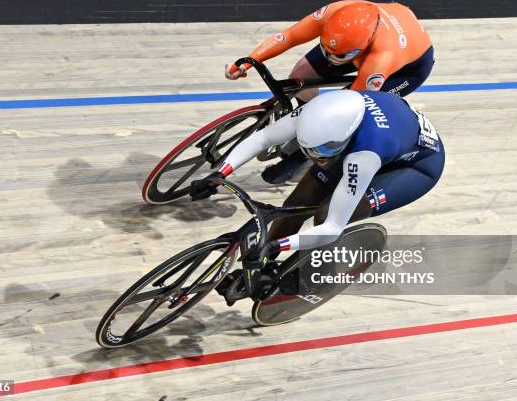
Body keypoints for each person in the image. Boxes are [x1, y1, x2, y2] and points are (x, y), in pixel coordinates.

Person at [189, 89, 444, 303]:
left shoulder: (364, 155)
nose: (316, 158)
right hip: (371, 139)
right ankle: (264, 265)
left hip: (415, 166)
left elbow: (333, 227)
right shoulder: (317, 112)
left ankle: (319, 275)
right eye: (309, 150)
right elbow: (265, 137)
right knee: (295, 204)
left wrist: (278, 244)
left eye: (323, 150)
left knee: (324, 214)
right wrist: (220, 173)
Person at [225, 0, 435, 183]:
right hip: (352, 44)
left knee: (348, 113)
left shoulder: (382, 59)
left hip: (407, 69)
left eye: (339, 57)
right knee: (301, 72)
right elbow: (288, 36)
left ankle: (304, 160)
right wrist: (248, 61)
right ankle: (301, 122)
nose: (332, 61)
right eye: (326, 49)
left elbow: (350, 106)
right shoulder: (336, 12)